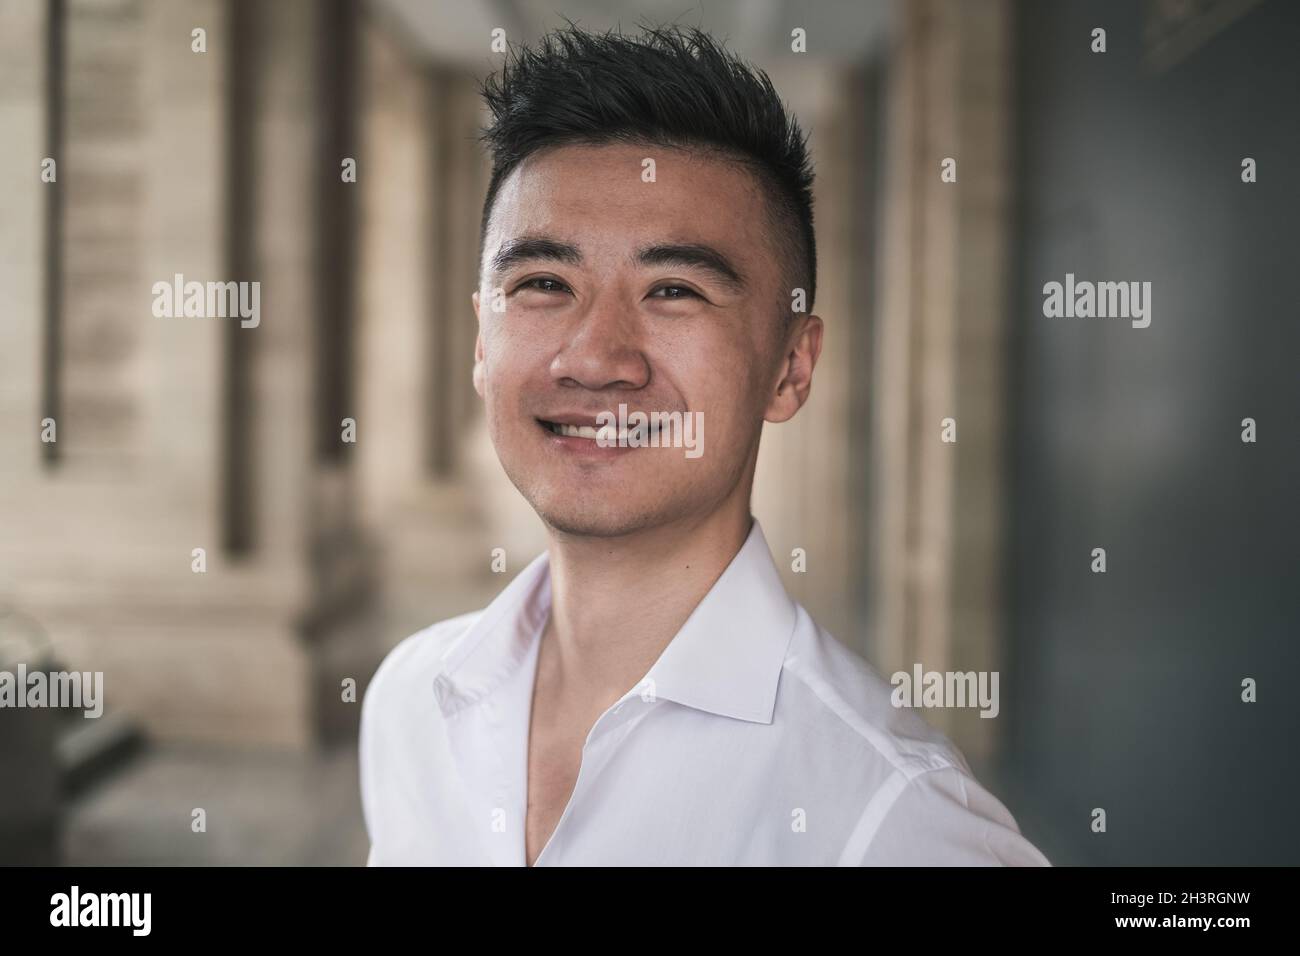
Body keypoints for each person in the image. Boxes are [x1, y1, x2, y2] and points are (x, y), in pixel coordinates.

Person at [360, 24, 1049, 866]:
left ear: (790, 368)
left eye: (675, 290)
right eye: (543, 283)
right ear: (480, 342)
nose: (595, 358)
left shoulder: (891, 817)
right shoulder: (409, 701)